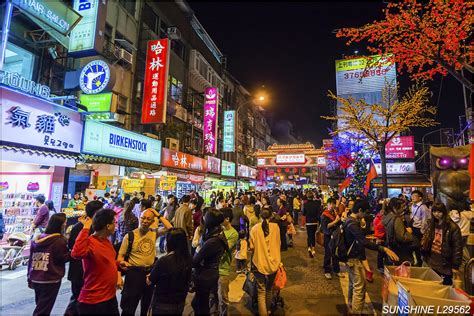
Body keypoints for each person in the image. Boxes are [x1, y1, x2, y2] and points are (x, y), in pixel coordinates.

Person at [344, 200, 399, 314]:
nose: (365, 215)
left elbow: (358, 240)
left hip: (351, 257)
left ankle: (351, 306)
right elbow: (363, 242)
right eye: (365, 213)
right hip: (353, 259)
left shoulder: (350, 220)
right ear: (360, 211)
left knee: (353, 284)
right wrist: (383, 248)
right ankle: (355, 311)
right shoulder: (352, 224)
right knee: (359, 288)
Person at [118, 209, 172, 315]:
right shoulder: (130, 236)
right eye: (143, 218)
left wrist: (158, 215)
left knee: (146, 305)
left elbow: (170, 228)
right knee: (129, 306)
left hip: (149, 273)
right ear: (139, 218)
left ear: (152, 221)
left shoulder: (153, 233)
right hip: (133, 274)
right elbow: (120, 256)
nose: (145, 221)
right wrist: (121, 263)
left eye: (148, 219)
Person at [71, 208, 121, 315]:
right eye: (114, 222)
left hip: (110, 297)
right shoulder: (89, 242)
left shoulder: (106, 241)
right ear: (108, 226)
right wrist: (85, 228)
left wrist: (118, 264)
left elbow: (106, 261)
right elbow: (76, 253)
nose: (116, 225)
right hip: (93, 301)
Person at [65, 200, 103, 315]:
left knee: (76, 297)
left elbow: (70, 245)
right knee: (78, 299)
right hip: (82, 271)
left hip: (77, 271)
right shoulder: (90, 228)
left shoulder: (77, 226)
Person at [28, 213, 69, 316]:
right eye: (65, 223)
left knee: (40, 305)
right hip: (50, 279)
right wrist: (73, 253)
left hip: (36, 277)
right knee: (42, 310)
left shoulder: (37, 239)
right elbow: (62, 258)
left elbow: (30, 260)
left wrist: (29, 277)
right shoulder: (59, 241)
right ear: (61, 225)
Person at [191, 209, 229, 315]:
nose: (203, 218)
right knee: (197, 303)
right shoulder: (217, 233)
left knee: (201, 305)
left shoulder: (213, 241)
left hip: (206, 275)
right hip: (210, 273)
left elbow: (195, 261)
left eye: (205, 217)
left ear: (209, 221)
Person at [147, 228, 192, 315]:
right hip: (180, 302)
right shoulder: (188, 259)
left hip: (163, 303)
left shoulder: (164, 261)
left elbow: (150, 281)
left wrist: (149, 276)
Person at [421, 202, 463, 285]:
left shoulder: (452, 227)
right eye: (434, 211)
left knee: (446, 287)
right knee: (433, 285)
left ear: (444, 212)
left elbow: (457, 248)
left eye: (439, 212)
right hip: (432, 260)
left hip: (445, 262)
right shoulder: (431, 224)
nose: (436, 214)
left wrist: (455, 266)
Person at [249, 207, 281, 316]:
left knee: (261, 292)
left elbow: (252, 247)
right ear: (271, 216)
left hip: (259, 263)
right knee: (269, 289)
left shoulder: (254, 229)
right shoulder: (276, 227)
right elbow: (279, 243)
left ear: (260, 216)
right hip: (274, 263)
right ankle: (268, 311)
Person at [211, 208, 238, 316]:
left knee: (223, 298)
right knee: (212, 296)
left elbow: (223, 251)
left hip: (223, 269)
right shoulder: (217, 229)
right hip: (212, 268)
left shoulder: (233, 234)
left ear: (227, 219)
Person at [382, 198, 417, 264]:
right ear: (394, 208)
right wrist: (409, 233)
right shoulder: (396, 219)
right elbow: (402, 237)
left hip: (392, 247)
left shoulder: (387, 217)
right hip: (400, 251)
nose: (403, 209)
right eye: (401, 207)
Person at [320, 198, 342, 279]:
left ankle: (336, 270)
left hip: (335, 236)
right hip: (328, 236)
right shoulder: (324, 214)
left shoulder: (334, 213)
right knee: (328, 253)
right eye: (331, 204)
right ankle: (327, 270)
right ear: (328, 204)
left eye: (334, 204)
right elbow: (325, 227)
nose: (332, 206)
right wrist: (335, 222)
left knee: (335, 253)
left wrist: (340, 220)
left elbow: (338, 222)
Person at [409, 190, 431, 266]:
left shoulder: (423, 208)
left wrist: (422, 231)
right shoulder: (412, 205)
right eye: (412, 196)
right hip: (413, 228)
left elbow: (425, 221)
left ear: (420, 198)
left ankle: (420, 263)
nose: (412, 197)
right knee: (414, 246)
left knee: (419, 247)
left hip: (419, 230)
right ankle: (416, 261)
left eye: (415, 196)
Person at [302, 191, 322, 258]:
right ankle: (313, 248)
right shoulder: (316, 204)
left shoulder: (305, 204)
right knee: (313, 235)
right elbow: (318, 213)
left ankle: (309, 247)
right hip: (314, 222)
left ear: (307, 197)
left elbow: (303, 213)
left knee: (309, 235)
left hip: (308, 222)